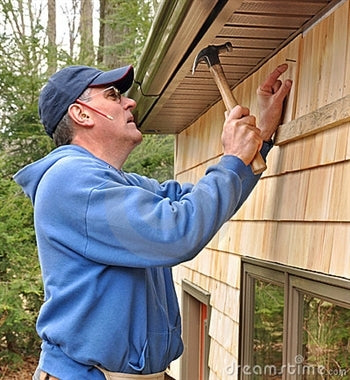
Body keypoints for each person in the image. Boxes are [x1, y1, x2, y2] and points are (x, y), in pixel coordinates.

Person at [14, 62, 291, 380]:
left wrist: (259, 139)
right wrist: (232, 159)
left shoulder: (120, 184)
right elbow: (176, 232)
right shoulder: (71, 180)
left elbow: (199, 204)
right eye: (113, 95)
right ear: (82, 114)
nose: (129, 102)